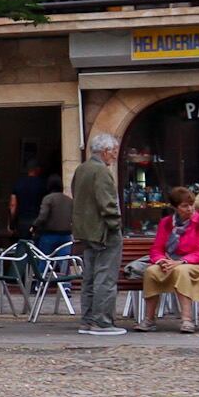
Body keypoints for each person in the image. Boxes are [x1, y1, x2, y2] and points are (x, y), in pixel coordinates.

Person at [135, 186, 199, 334]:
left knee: (181, 270)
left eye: (192, 205)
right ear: (175, 207)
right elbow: (157, 249)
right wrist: (161, 261)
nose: (190, 209)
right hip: (171, 262)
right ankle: (149, 319)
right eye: (185, 206)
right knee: (151, 271)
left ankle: (187, 319)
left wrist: (181, 261)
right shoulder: (166, 223)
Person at [71, 134, 126, 335]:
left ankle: (87, 320)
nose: (114, 155)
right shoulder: (101, 171)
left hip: (85, 231)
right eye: (113, 151)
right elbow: (108, 203)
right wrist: (116, 225)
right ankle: (102, 322)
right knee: (105, 276)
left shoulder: (81, 169)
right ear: (105, 151)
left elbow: (77, 197)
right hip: (103, 231)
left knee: (90, 277)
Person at [30, 176, 74, 258]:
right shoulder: (69, 200)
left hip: (50, 235)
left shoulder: (48, 199)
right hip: (66, 235)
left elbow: (42, 216)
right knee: (64, 261)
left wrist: (34, 226)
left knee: (45, 260)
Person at [9, 161, 51, 239]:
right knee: (38, 248)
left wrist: (12, 224)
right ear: (38, 169)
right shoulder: (43, 184)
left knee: (23, 245)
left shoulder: (19, 184)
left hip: (22, 220)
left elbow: (13, 205)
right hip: (38, 220)